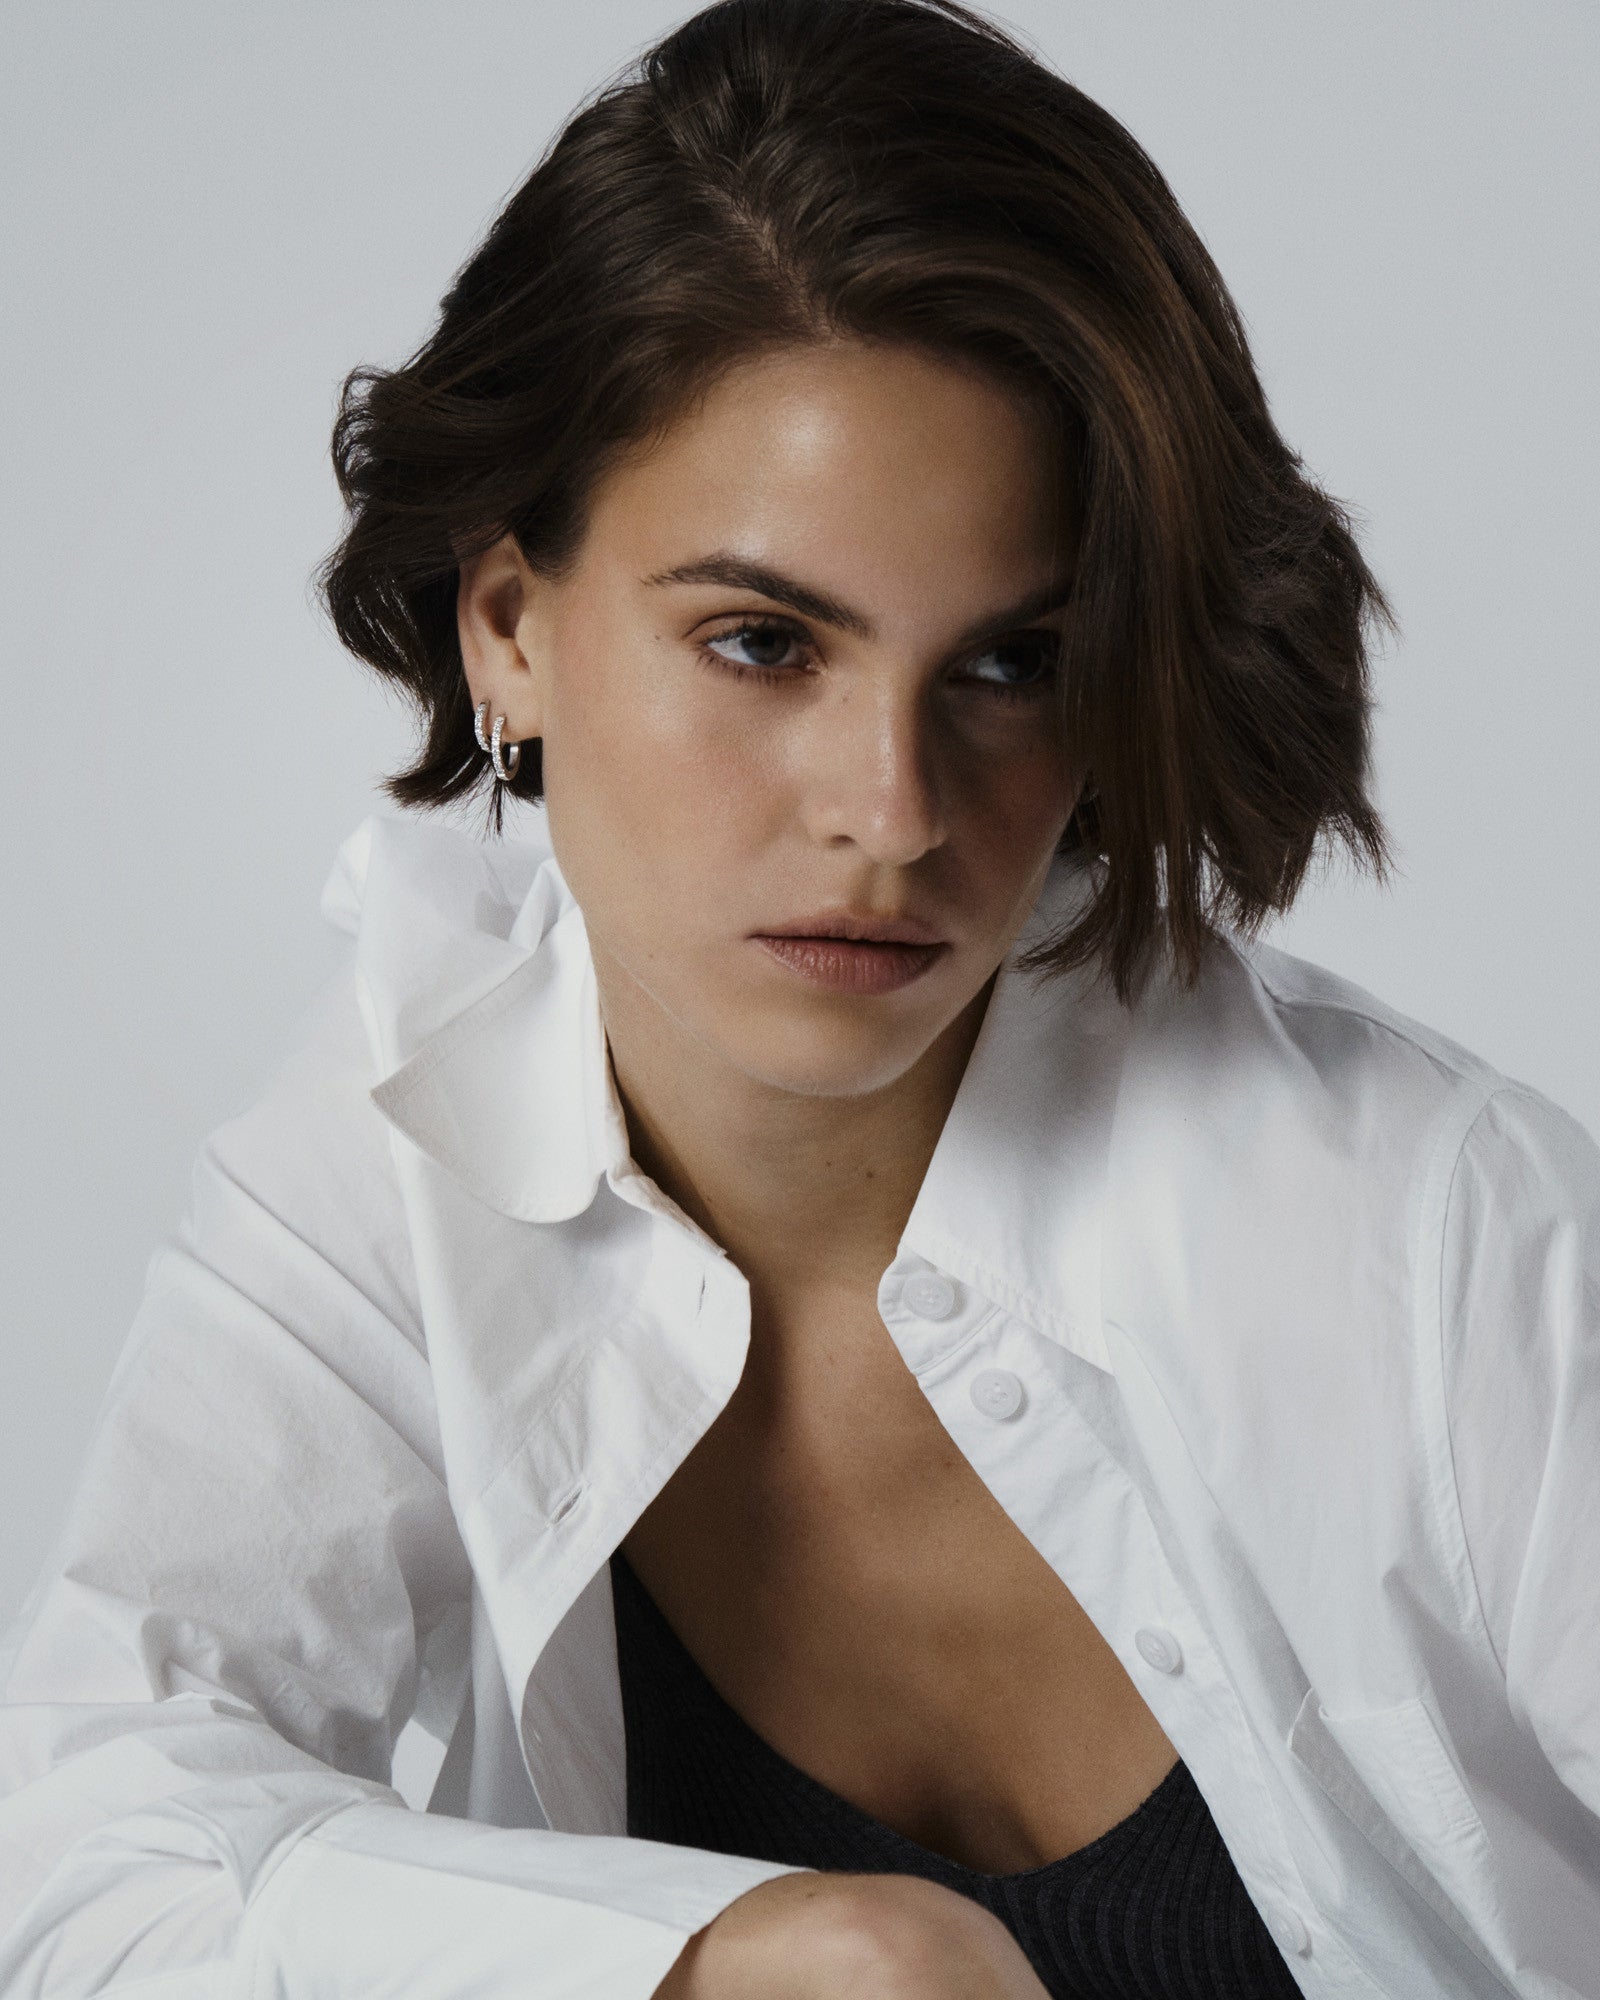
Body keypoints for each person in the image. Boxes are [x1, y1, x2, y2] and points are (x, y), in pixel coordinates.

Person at [1, 1, 1595, 1995]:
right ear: (506, 628)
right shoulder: (412, 1145)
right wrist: (750, 1955)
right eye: (763, 642)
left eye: (1010, 665)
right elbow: (89, 1857)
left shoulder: (1436, 1238)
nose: (891, 811)